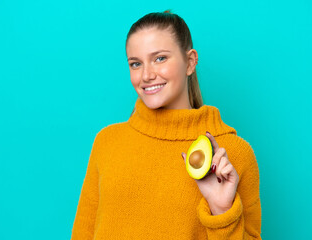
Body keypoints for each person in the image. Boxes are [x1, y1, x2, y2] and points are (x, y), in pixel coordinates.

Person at [71, 10, 261, 239]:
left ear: (190, 62)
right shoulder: (107, 142)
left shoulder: (234, 154)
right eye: (135, 64)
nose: (146, 75)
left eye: (160, 58)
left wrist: (221, 211)